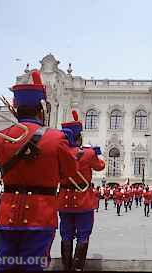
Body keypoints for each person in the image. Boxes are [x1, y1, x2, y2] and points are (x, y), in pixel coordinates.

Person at [0, 70, 78, 271]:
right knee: (34, 265)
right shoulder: (57, 139)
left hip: (8, 214)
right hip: (40, 213)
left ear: (15, 108)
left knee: (6, 263)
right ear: (42, 108)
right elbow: (70, 171)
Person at [58, 110, 105, 271]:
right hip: (83, 200)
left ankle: (66, 267)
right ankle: (77, 268)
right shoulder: (88, 153)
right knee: (83, 235)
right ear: (79, 137)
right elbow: (100, 166)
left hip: (64, 201)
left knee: (66, 234)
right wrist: (94, 153)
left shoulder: (59, 154)